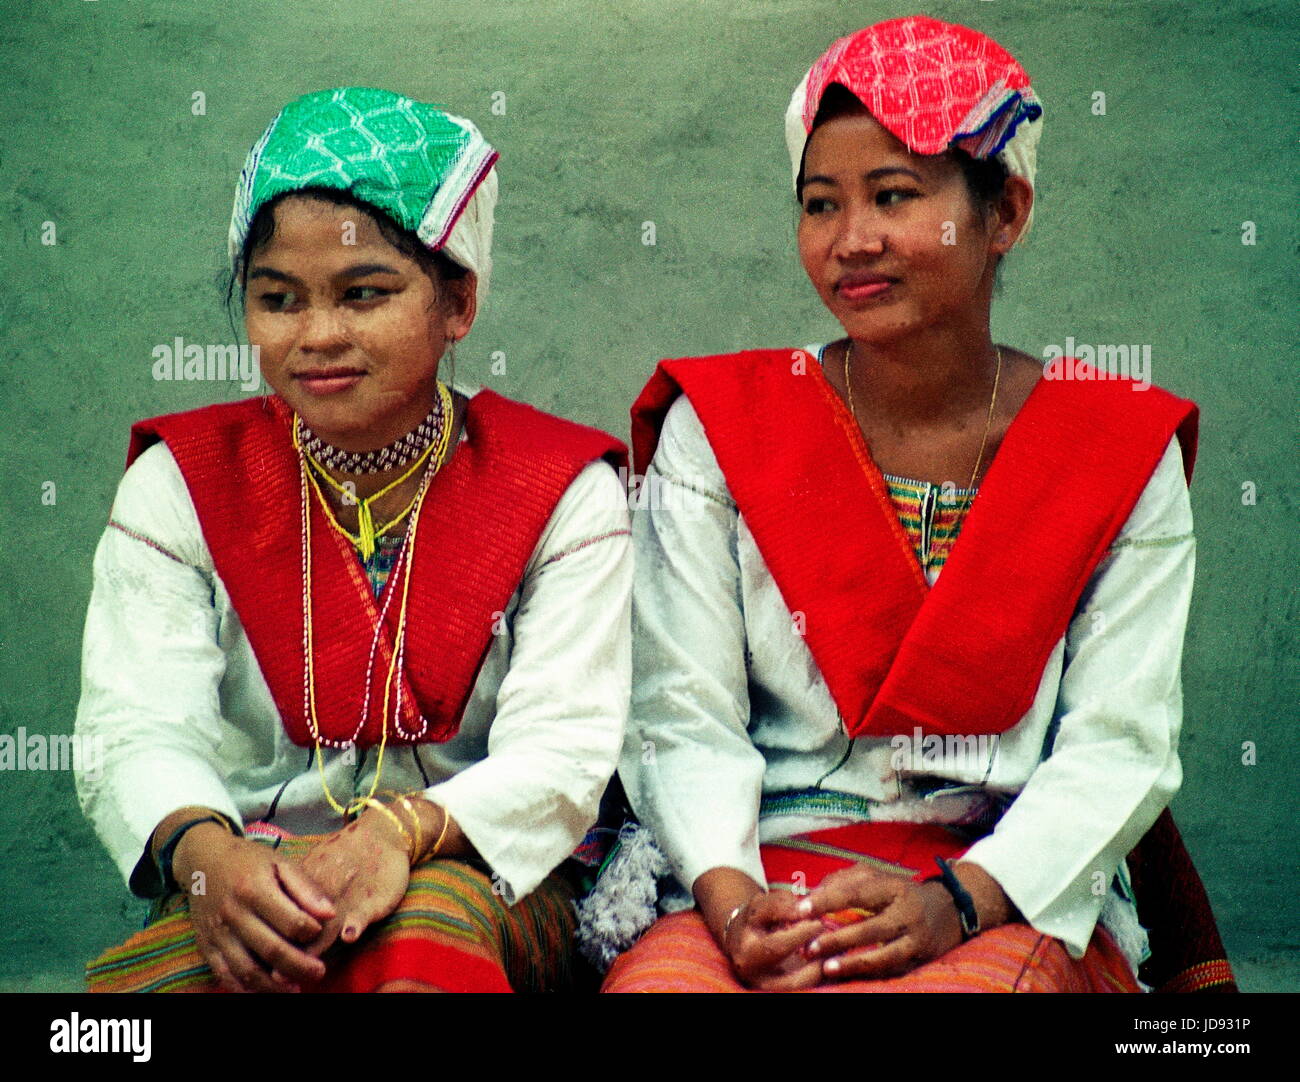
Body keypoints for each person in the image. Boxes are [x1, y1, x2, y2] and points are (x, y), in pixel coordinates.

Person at [602, 17, 1235, 992]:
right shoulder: (722, 425)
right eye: (819, 204)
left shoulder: (1115, 449)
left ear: (1005, 214)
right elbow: (681, 714)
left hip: (997, 883)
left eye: (893, 195)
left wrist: (961, 896)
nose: (851, 240)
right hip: (760, 871)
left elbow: (1119, 745)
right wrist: (731, 906)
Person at [75, 87, 632, 993]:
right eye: (278, 299)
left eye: (364, 293)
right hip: (254, 871)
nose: (318, 336)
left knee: (419, 948)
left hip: (479, 868)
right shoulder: (180, 482)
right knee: (132, 1013)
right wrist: (207, 857)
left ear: (458, 302)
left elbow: (562, 753)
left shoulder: (562, 488)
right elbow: (134, 726)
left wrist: (398, 833)